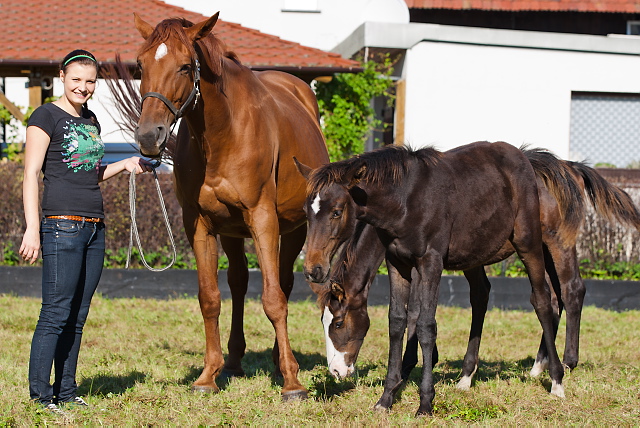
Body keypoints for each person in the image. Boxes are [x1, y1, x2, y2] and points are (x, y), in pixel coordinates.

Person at [19, 49, 153, 414]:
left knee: (77, 315)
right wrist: (33, 228)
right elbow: (31, 173)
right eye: (76, 79)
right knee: (56, 312)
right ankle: (40, 396)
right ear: (62, 76)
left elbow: (87, 172)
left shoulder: (91, 119)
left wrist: (124, 163)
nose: (83, 86)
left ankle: (65, 391)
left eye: (90, 80)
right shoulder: (45, 115)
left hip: (95, 228)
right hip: (60, 226)